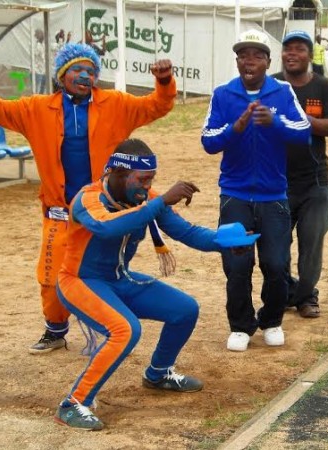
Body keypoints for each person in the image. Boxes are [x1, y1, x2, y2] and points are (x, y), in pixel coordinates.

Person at [0, 43, 177, 354]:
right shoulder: (35, 109)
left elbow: (157, 106)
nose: (85, 76)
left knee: (104, 273)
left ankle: (112, 325)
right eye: (77, 69)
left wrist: (164, 80)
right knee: (50, 279)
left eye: (91, 71)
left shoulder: (117, 104)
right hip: (59, 213)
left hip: (104, 210)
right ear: (62, 75)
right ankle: (55, 328)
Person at [54, 139, 244, 430]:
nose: (147, 186)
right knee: (125, 330)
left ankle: (158, 374)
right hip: (79, 281)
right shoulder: (87, 198)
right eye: (142, 179)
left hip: (120, 279)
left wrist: (225, 242)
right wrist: (159, 201)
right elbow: (107, 226)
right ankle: (73, 403)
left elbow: (187, 232)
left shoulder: (148, 199)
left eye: (151, 179)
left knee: (184, 309)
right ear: (118, 173)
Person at [201, 29, 311, 351]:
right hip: (234, 194)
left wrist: (275, 122)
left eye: (256, 55)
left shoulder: (282, 92)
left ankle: (272, 319)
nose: (249, 61)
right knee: (236, 264)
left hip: (274, 195)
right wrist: (235, 128)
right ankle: (241, 325)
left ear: (267, 61)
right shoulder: (223, 95)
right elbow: (208, 140)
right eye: (243, 55)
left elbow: (303, 131)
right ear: (237, 61)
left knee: (276, 264)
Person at [272, 30, 328, 319]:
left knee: (311, 245)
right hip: (276, 182)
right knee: (276, 247)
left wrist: (302, 121)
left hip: (315, 183)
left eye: (299, 48)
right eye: (287, 48)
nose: (292, 54)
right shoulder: (272, 84)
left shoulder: (323, 86)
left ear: (309, 55)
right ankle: (288, 293)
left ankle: (307, 296)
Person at [33, 29, 47, 94]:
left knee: (42, 88)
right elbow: (36, 54)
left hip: (43, 69)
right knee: (37, 88)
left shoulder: (42, 45)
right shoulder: (37, 45)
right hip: (37, 70)